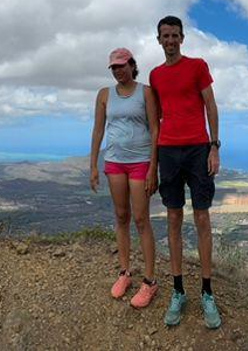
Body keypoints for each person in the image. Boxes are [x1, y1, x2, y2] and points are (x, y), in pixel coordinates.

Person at [150, 15, 222, 329]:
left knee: (203, 218)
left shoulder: (197, 66)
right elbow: (156, 119)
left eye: (175, 35)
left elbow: (211, 106)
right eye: (165, 36)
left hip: (197, 149)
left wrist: (214, 146)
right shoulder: (155, 76)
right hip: (168, 150)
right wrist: (154, 161)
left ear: (182, 38)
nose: (170, 40)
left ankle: (207, 293)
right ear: (158, 39)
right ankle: (178, 291)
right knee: (174, 219)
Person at [90, 47, 160, 309]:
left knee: (141, 219)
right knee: (121, 216)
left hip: (141, 162)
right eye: (114, 67)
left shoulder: (146, 92)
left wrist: (154, 167)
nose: (119, 71)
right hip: (114, 161)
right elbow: (98, 130)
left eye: (122, 65)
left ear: (132, 65)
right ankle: (124, 273)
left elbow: (155, 129)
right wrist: (93, 165)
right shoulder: (105, 94)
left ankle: (150, 281)